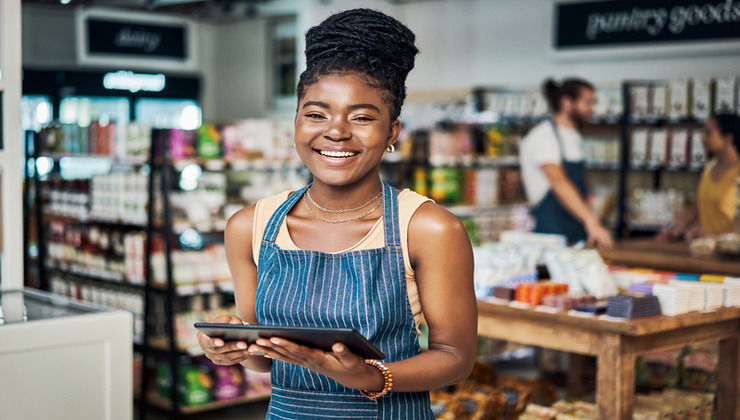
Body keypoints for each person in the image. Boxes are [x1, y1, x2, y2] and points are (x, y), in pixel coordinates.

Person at [198, 8, 477, 419]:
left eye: (362, 117)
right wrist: (232, 350)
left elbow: (455, 357)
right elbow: (265, 359)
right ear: (295, 121)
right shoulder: (250, 226)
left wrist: (370, 377)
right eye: (316, 113)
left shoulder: (428, 229)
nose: (336, 131)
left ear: (392, 133)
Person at [519, 78, 614, 249]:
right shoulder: (544, 136)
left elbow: (580, 176)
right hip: (552, 230)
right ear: (566, 103)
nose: (592, 109)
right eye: (588, 103)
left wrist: (590, 198)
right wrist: (591, 221)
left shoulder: (573, 135)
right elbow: (559, 183)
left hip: (577, 225)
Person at [657, 113, 740, 241]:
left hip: (730, 253)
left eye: (708, 132)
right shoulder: (709, 168)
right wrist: (676, 231)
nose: (702, 137)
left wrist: (715, 237)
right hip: (705, 250)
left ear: (727, 138)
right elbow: (696, 206)